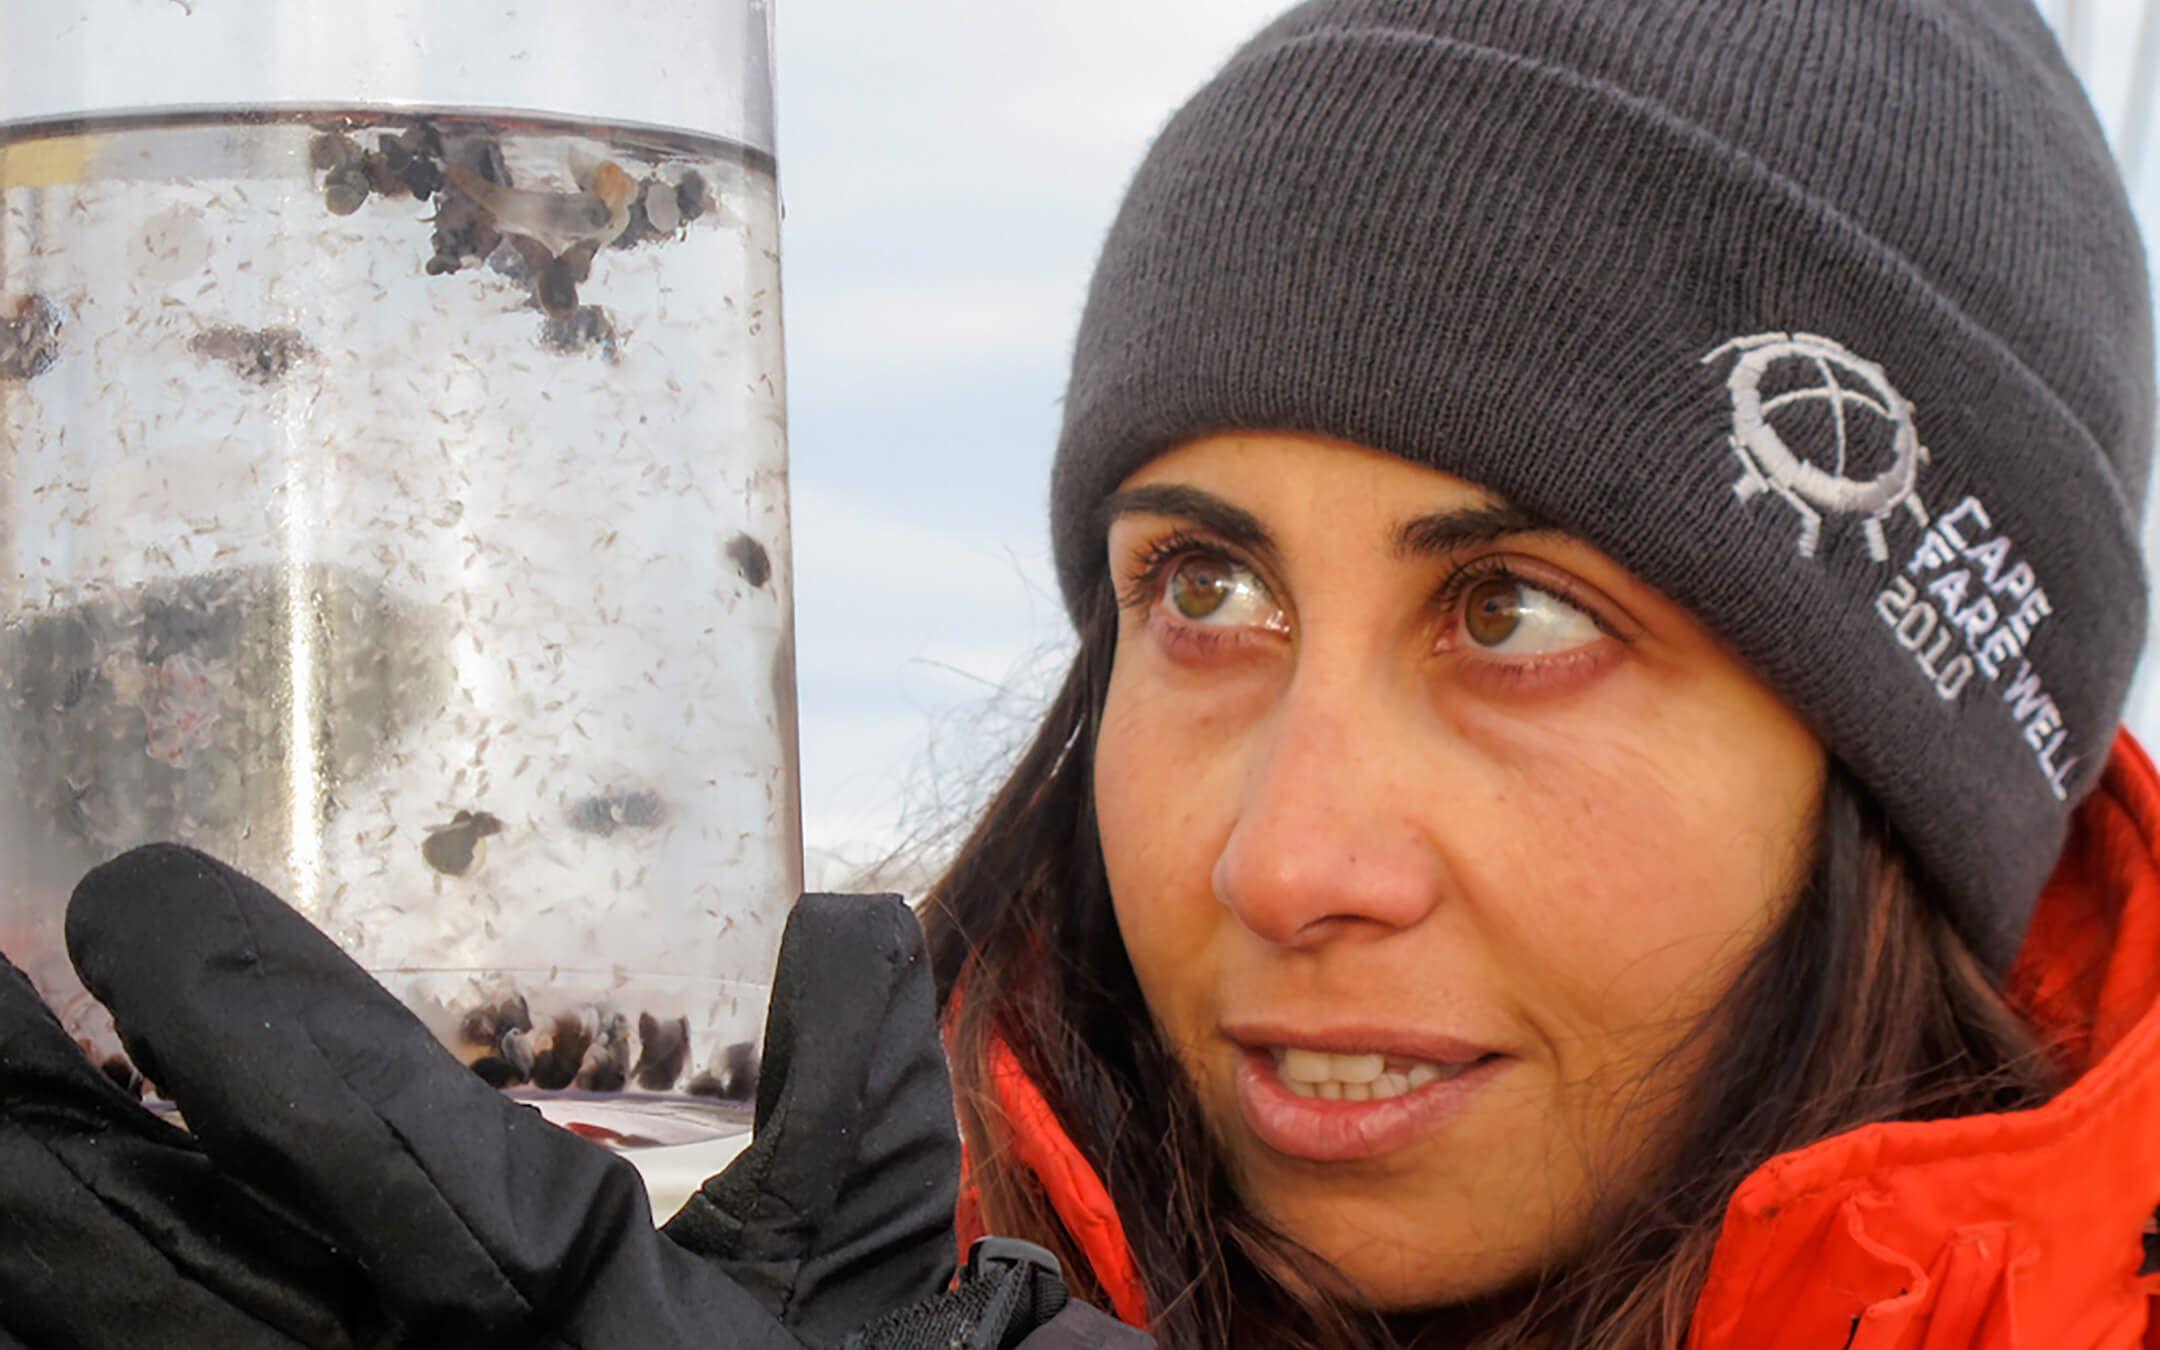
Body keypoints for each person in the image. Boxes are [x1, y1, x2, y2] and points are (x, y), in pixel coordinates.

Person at [2, 1, 2154, 1348]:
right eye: (1205, 591)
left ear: (1901, 788)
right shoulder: (759, 1237)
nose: (1287, 865)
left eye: (1513, 616)